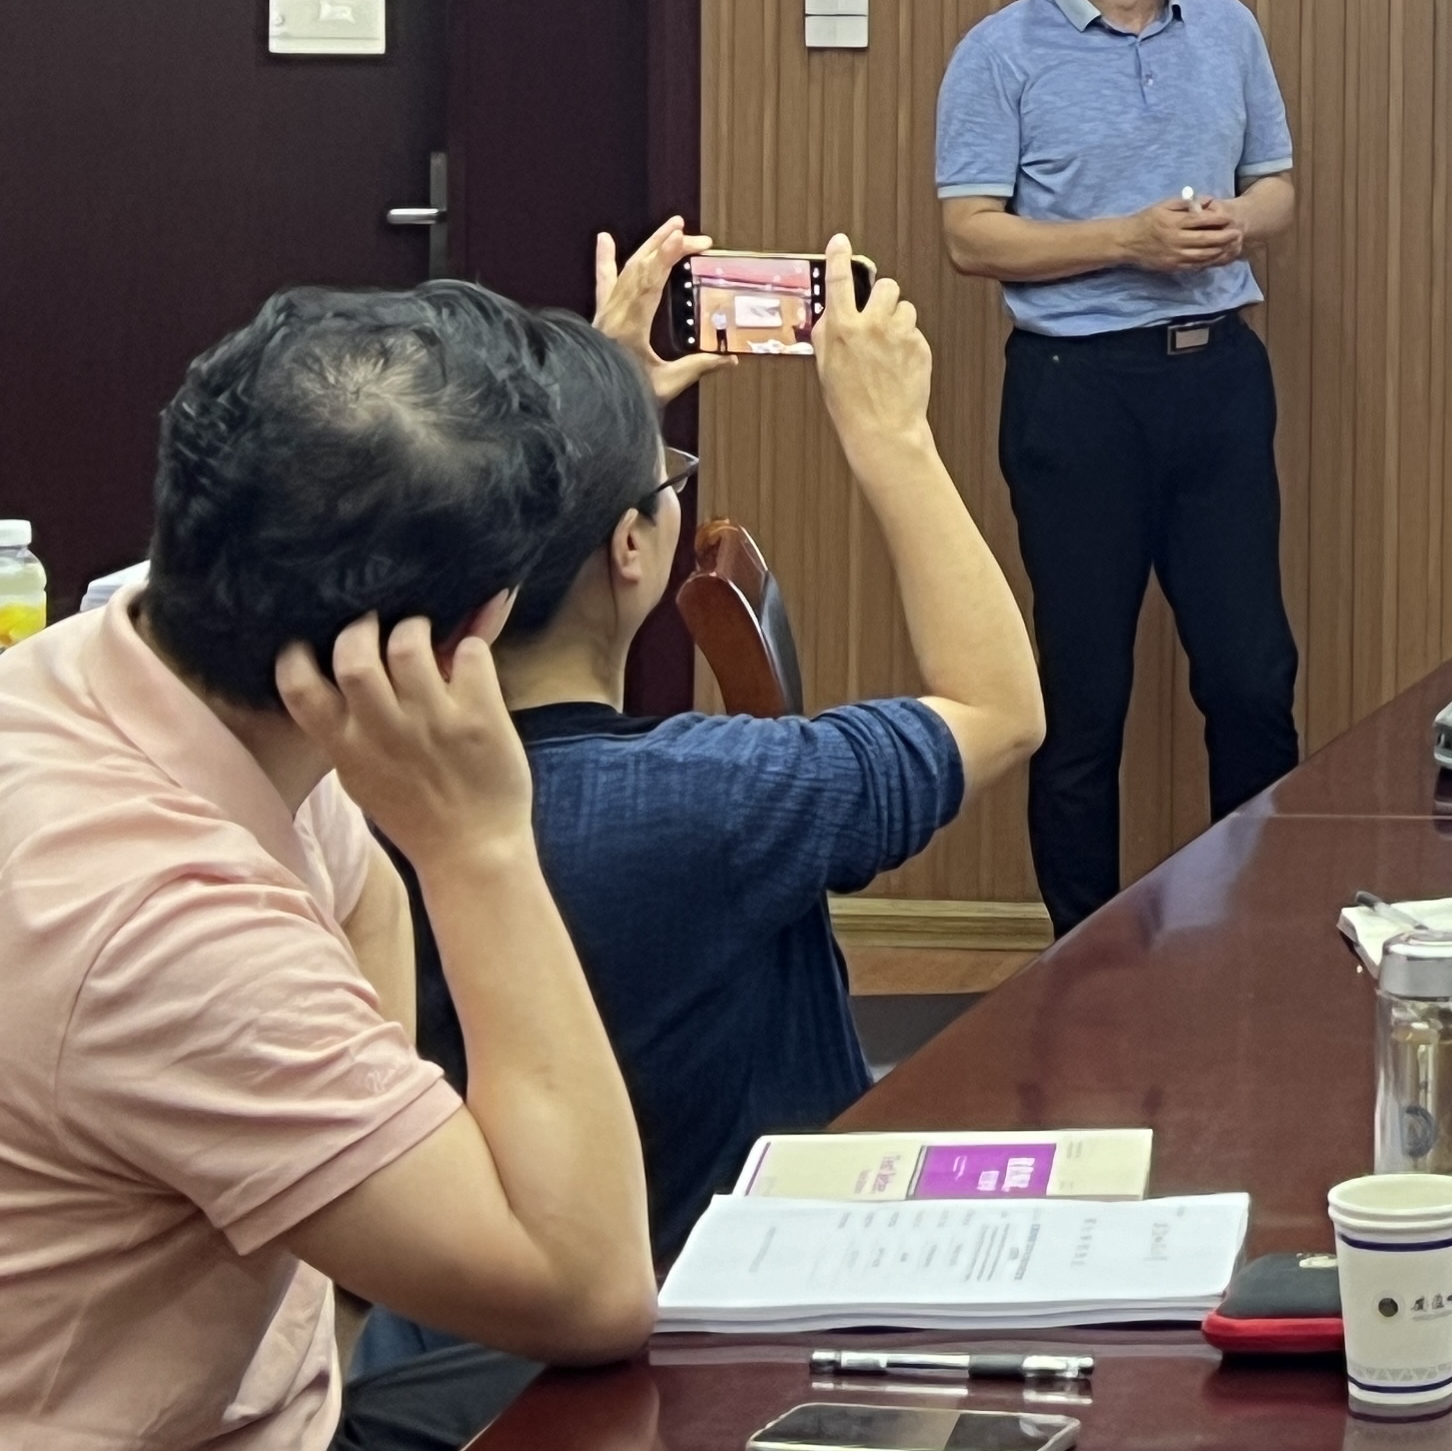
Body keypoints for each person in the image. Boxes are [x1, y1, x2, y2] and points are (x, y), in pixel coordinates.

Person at [0, 283, 657, 1451]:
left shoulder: (114, 662)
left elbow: (360, 894)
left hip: (278, 1410)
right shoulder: (161, 922)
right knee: (673, 1413)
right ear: (472, 630)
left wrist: (350, 1248)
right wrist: (480, 847)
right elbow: (593, 1287)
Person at [387, 227, 1043, 1276]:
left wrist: (595, 412)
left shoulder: (347, 802)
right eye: (664, 482)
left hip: (464, 1312)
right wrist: (893, 438)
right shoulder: (717, 798)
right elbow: (999, 708)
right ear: (630, 548)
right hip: (721, 1314)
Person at [937, 0, 1301, 935]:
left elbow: (1278, 185)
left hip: (1219, 380)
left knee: (1252, 676)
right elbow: (969, 235)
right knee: (1081, 698)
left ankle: (1257, 934)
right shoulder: (1000, 52)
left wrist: (1241, 224)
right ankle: (1080, 960)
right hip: (1076, 395)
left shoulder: (1229, 29)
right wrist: (1127, 241)